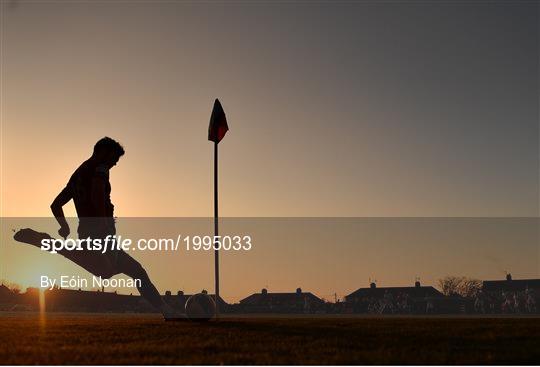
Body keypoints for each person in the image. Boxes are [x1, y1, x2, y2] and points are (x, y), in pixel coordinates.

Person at [40, 137, 182, 320]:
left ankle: (167, 312)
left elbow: (55, 204)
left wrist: (64, 226)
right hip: (99, 232)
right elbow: (97, 193)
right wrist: (104, 223)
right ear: (102, 152)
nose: (115, 163)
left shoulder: (77, 174)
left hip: (87, 231)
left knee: (137, 271)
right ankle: (53, 245)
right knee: (106, 272)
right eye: (114, 158)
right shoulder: (100, 169)